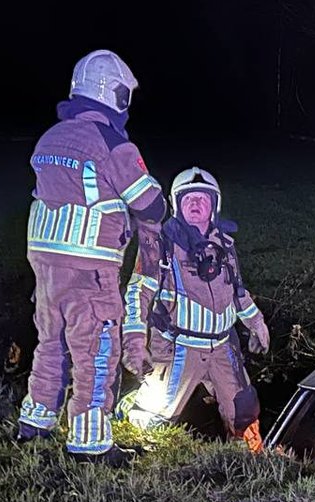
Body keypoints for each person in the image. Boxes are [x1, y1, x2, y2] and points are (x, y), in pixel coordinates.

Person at [16, 49, 166, 466]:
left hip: (45, 265)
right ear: (115, 95)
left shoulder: (51, 137)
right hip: (90, 269)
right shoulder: (112, 142)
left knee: (50, 343)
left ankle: (36, 420)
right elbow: (149, 203)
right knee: (97, 352)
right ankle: (90, 444)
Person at [121, 167, 270, 445]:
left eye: (203, 198)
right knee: (155, 414)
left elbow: (237, 291)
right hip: (179, 347)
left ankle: (249, 462)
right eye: (188, 199)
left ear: (215, 205)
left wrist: (257, 323)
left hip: (223, 348)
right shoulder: (160, 245)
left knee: (244, 412)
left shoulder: (224, 245)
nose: (196, 204)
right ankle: (141, 454)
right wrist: (134, 341)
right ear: (176, 204)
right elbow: (137, 292)